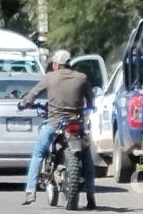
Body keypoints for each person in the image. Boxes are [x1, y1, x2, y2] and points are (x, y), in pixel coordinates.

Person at [19, 49, 97, 209]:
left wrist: (23, 103)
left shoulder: (49, 77)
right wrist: (88, 107)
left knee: (38, 153)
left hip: (54, 124)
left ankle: (30, 191)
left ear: (56, 64)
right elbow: (90, 102)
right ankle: (90, 195)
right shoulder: (82, 78)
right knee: (86, 155)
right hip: (76, 123)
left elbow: (32, 95)